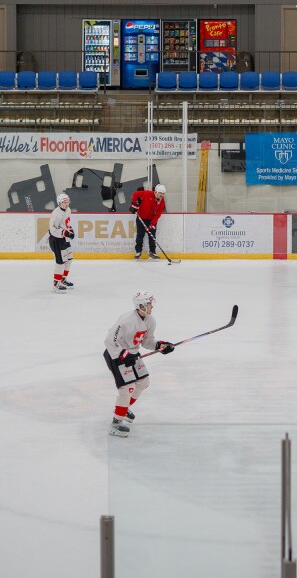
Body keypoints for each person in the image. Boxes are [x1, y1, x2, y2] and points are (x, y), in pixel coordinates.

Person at [102, 291, 174, 437]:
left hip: (132, 354)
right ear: (140, 305)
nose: (151, 307)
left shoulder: (150, 320)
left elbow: (147, 341)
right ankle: (116, 423)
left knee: (143, 382)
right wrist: (123, 355)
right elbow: (110, 341)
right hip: (115, 355)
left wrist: (159, 345)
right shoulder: (126, 320)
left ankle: (123, 407)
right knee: (128, 387)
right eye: (149, 304)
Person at [130, 183, 167, 260]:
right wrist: (133, 204)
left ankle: (152, 252)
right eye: (160, 193)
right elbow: (135, 194)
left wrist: (153, 223)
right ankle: (138, 252)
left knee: (152, 236)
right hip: (141, 217)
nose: (162, 195)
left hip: (151, 220)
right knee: (140, 235)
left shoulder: (162, 202)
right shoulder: (147, 193)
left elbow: (158, 214)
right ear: (156, 192)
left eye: (163, 193)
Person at [49, 192, 75, 291]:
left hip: (64, 238)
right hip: (56, 239)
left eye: (67, 202)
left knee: (69, 259)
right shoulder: (55, 214)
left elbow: (65, 224)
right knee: (60, 262)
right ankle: (56, 283)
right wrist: (64, 232)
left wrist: (69, 230)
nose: (67, 204)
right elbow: (53, 230)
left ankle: (63, 279)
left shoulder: (68, 210)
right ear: (59, 203)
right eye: (64, 202)